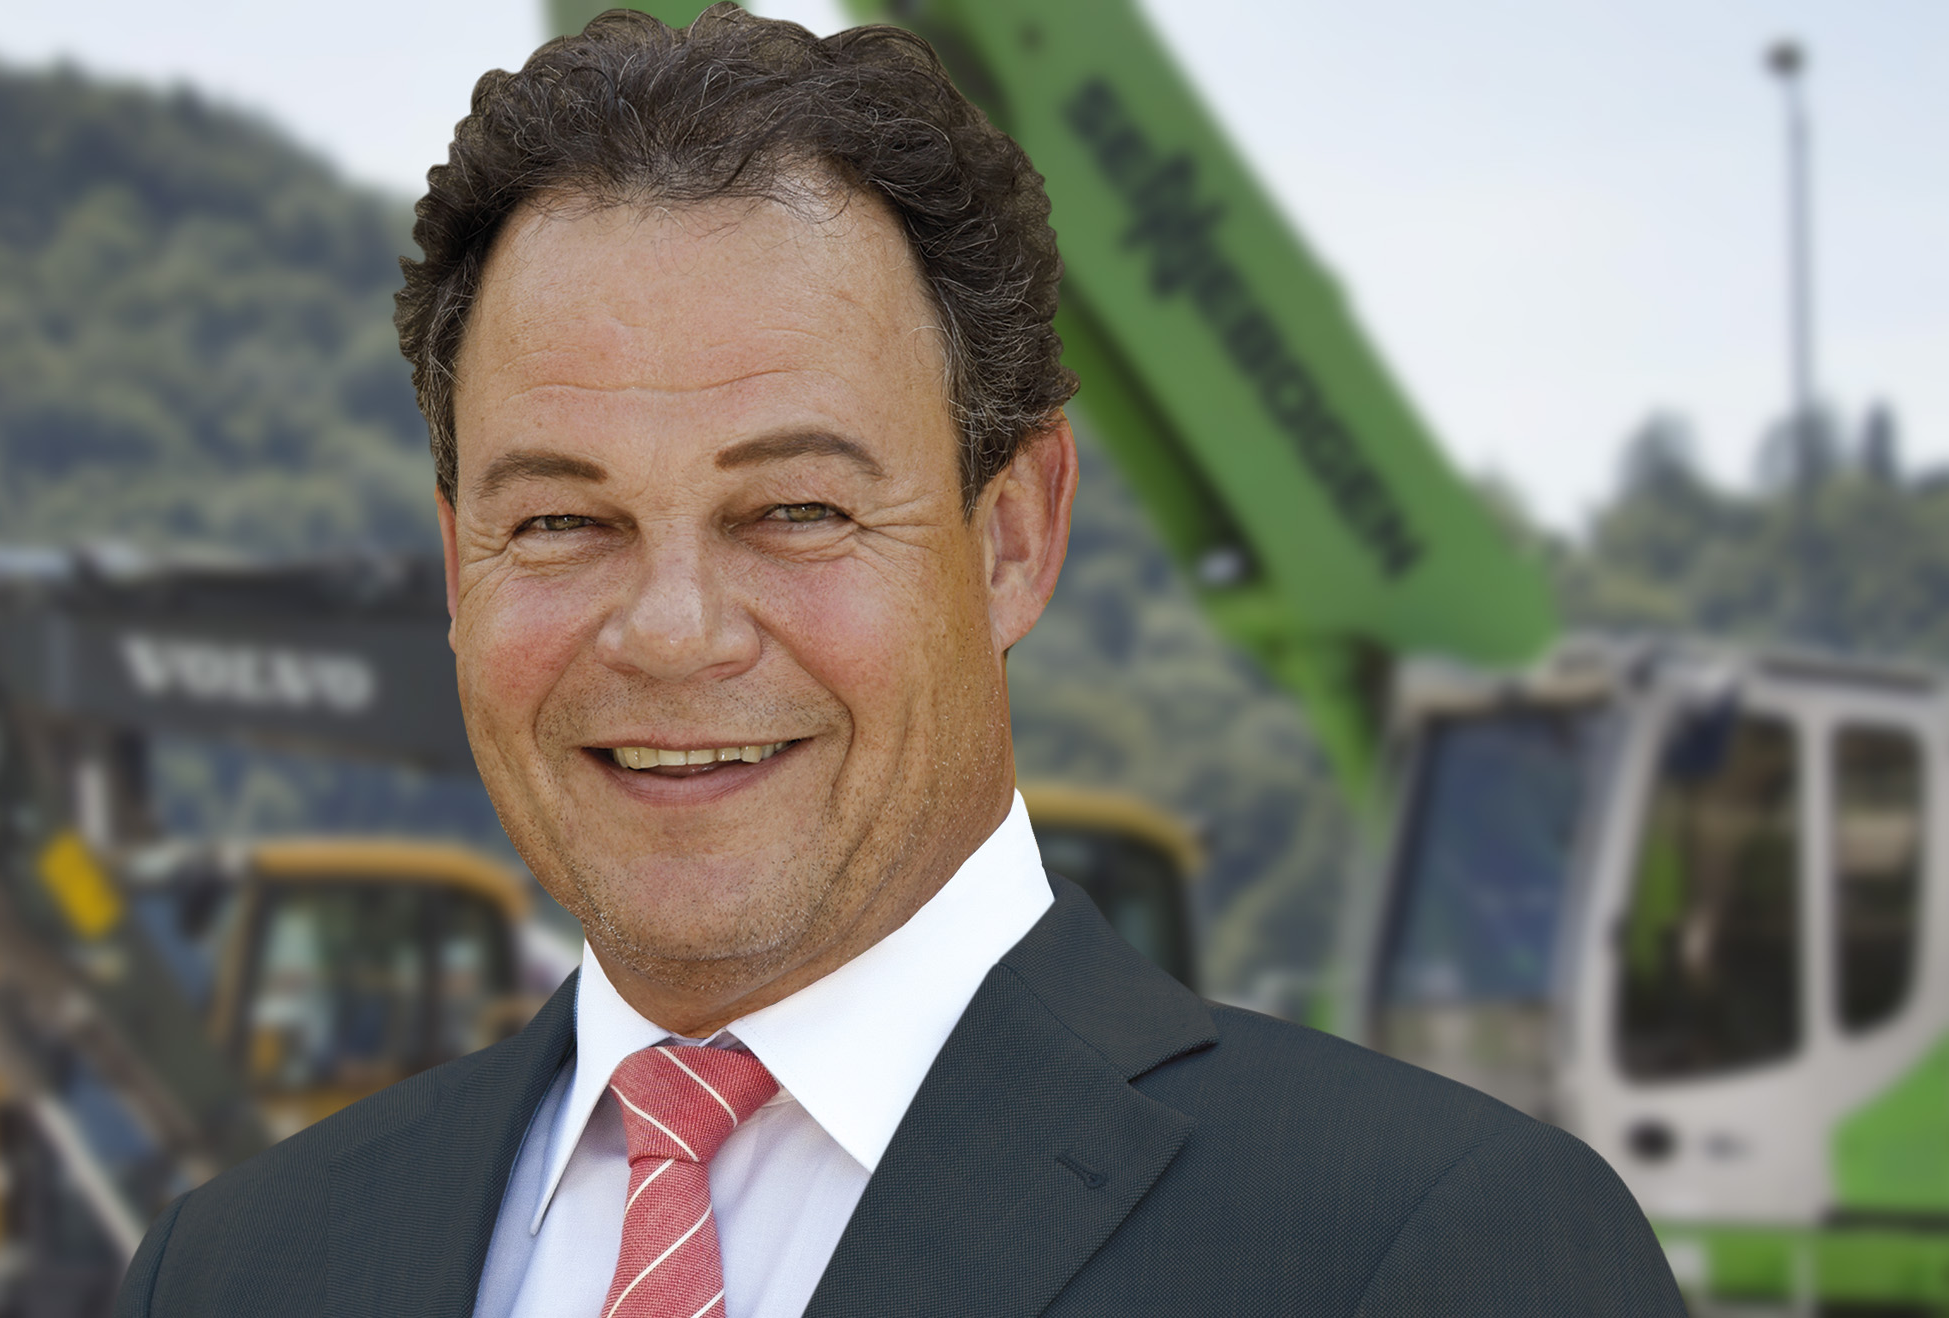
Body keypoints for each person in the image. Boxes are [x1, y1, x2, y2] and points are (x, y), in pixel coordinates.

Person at [114, 8, 1683, 1315]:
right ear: (457, 558)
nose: (672, 629)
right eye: (562, 521)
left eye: (794, 510)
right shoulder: (233, 1272)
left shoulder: (1426, 1249)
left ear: (1015, 536)